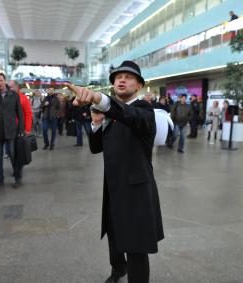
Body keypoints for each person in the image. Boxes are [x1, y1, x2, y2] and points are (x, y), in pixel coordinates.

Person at [68, 60, 163, 283]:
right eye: (118, 77)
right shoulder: (109, 114)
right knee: (114, 234)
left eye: (128, 77)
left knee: (137, 246)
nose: (121, 79)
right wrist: (95, 123)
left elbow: (129, 115)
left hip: (136, 189)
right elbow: (95, 148)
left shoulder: (144, 111)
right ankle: (118, 269)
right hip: (113, 187)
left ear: (139, 85)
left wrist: (98, 99)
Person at [0, 73, 24, 189]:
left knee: (13, 155)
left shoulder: (14, 95)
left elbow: (19, 113)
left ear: (5, 81)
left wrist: (21, 129)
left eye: (0, 80)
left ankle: (17, 177)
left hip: (11, 130)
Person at [8, 80, 33, 184]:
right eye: (8, 87)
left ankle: (18, 170)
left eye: (11, 87)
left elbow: (28, 113)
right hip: (8, 130)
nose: (9, 89)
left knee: (18, 152)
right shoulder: (6, 97)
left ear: (17, 87)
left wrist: (27, 129)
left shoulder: (23, 98)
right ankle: (16, 168)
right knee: (10, 152)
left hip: (20, 130)